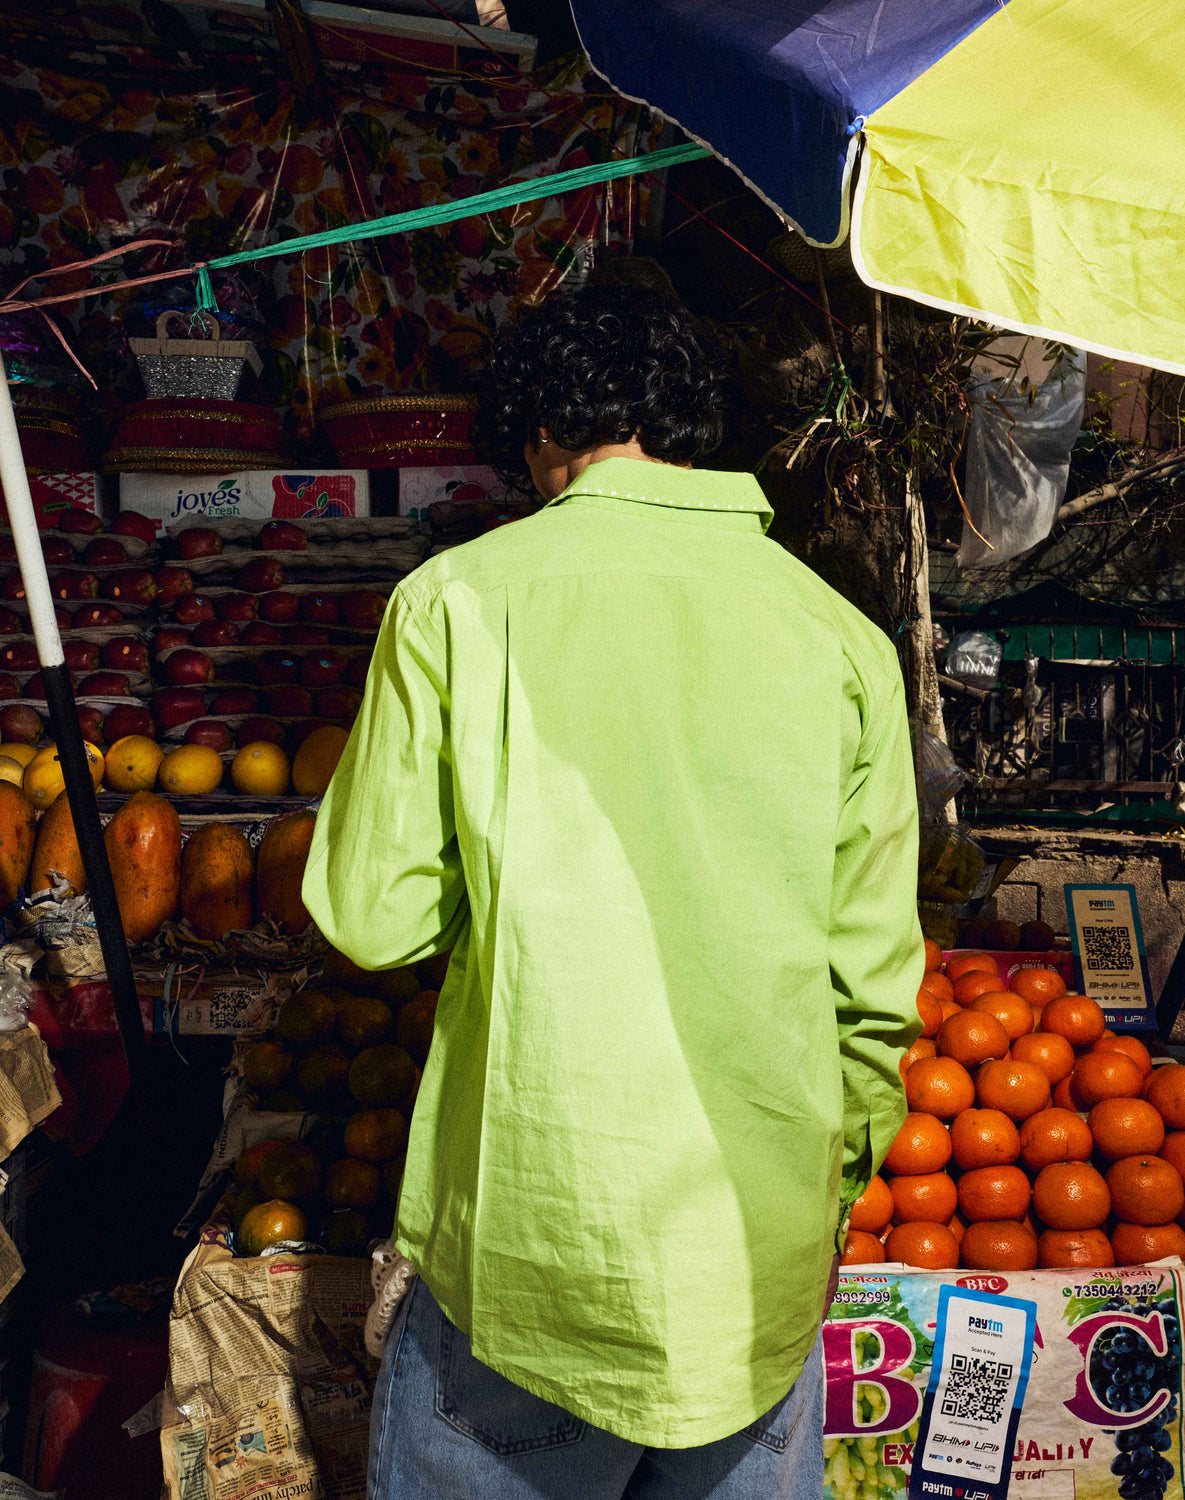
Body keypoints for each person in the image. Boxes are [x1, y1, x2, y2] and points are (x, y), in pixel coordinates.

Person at [302, 282, 923, 1500]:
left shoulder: (458, 602)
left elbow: (372, 918)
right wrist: (827, 1182)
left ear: (544, 436)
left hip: (538, 1259)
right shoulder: (843, 639)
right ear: (691, 429)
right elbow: (876, 989)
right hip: (756, 1264)